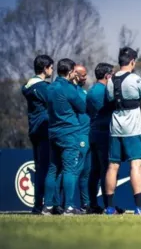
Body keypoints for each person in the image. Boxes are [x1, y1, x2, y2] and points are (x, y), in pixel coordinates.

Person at [105, 47, 141, 215]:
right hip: (133, 129)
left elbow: (110, 99)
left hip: (115, 128)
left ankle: (110, 207)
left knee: (113, 166)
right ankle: (139, 207)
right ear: (132, 61)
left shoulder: (111, 80)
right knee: (136, 165)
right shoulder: (136, 79)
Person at [44, 58, 86, 215]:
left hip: (53, 132)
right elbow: (82, 107)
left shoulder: (50, 87)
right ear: (70, 72)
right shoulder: (69, 88)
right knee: (69, 169)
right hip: (69, 133)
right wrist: (75, 85)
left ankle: (47, 206)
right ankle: (68, 206)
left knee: (53, 169)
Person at [22, 55, 54, 214]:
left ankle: (37, 205)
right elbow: (54, 101)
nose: (52, 70)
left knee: (40, 167)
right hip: (44, 129)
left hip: (33, 129)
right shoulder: (42, 87)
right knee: (45, 168)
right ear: (45, 68)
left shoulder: (29, 85)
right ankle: (43, 205)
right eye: (51, 67)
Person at [86, 63, 115, 213]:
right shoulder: (105, 92)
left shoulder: (90, 91)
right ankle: (107, 206)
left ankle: (93, 204)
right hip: (104, 133)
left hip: (93, 133)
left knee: (95, 170)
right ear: (107, 75)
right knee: (106, 170)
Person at [73, 64, 91, 213]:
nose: (85, 77)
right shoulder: (72, 92)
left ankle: (86, 204)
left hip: (89, 135)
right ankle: (68, 204)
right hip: (79, 136)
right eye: (83, 75)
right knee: (75, 171)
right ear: (75, 75)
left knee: (86, 173)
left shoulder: (84, 92)